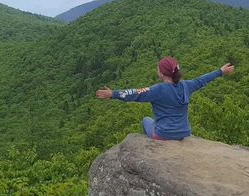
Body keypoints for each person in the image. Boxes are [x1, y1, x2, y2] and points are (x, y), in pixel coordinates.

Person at [95, 56, 235, 140]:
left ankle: (151, 148)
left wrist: (113, 94)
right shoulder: (187, 86)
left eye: (158, 69)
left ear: (162, 74)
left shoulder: (158, 90)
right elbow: (201, 80)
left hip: (164, 135)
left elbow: (135, 93)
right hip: (183, 133)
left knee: (146, 120)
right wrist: (220, 71)